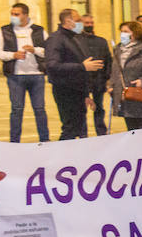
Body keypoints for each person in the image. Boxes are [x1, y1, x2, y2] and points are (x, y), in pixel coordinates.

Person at [44, 8, 104, 140]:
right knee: (70, 128)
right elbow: (52, 65)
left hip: (77, 90)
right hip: (65, 89)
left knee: (77, 127)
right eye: (78, 20)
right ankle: (62, 151)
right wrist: (82, 67)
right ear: (68, 21)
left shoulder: (74, 38)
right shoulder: (56, 39)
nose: (81, 23)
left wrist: (85, 93)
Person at [0, 2, 49, 142]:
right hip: (15, 76)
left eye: (16, 14)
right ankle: (14, 141)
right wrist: (13, 55)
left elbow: (49, 51)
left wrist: (35, 50)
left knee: (40, 109)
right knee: (17, 110)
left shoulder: (39, 30)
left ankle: (45, 140)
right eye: (12, 14)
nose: (13, 17)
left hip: (36, 75)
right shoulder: (4, 31)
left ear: (26, 15)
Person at [80, 14, 112, 135]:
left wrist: (107, 77)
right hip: (82, 80)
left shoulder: (101, 41)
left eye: (91, 23)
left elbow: (108, 59)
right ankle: (83, 133)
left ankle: (101, 132)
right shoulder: (77, 40)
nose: (90, 25)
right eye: (87, 23)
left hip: (99, 79)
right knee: (82, 108)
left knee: (99, 107)